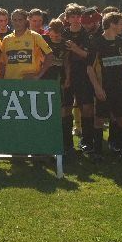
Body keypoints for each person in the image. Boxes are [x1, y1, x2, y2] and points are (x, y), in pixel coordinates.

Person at [86, 12, 122, 162]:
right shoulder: (96, 43)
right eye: (121, 23)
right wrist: (97, 88)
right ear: (112, 24)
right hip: (103, 88)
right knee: (99, 120)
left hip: (120, 88)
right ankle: (97, 152)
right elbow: (89, 68)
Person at [62, 3, 95, 155]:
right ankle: (67, 143)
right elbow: (62, 57)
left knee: (86, 108)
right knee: (65, 109)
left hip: (83, 75)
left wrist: (75, 48)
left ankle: (87, 142)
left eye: (78, 16)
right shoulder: (63, 33)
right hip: (67, 75)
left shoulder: (86, 34)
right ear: (67, 19)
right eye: (72, 17)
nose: (76, 19)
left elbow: (88, 55)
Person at [0, 9, 54, 80]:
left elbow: (49, 55)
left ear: (25, 21)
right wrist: (0, 78)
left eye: (20, 20)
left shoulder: (35, 36)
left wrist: (39, 75)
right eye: (15, 20)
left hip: (29, 83)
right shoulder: (6, 39)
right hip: (11, 81)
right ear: (11, 21)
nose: (17, 23)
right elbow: (2, 62)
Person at [44, 19, 73, 154]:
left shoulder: (65, 44)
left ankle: (65, 142)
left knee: (61, 109)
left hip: (58, 79)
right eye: (53, 35)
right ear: (49, 31)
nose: (55, 38)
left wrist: (68, 77)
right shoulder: (43, 40)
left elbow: (66, 62)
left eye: (58, 36)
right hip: (44, 78)